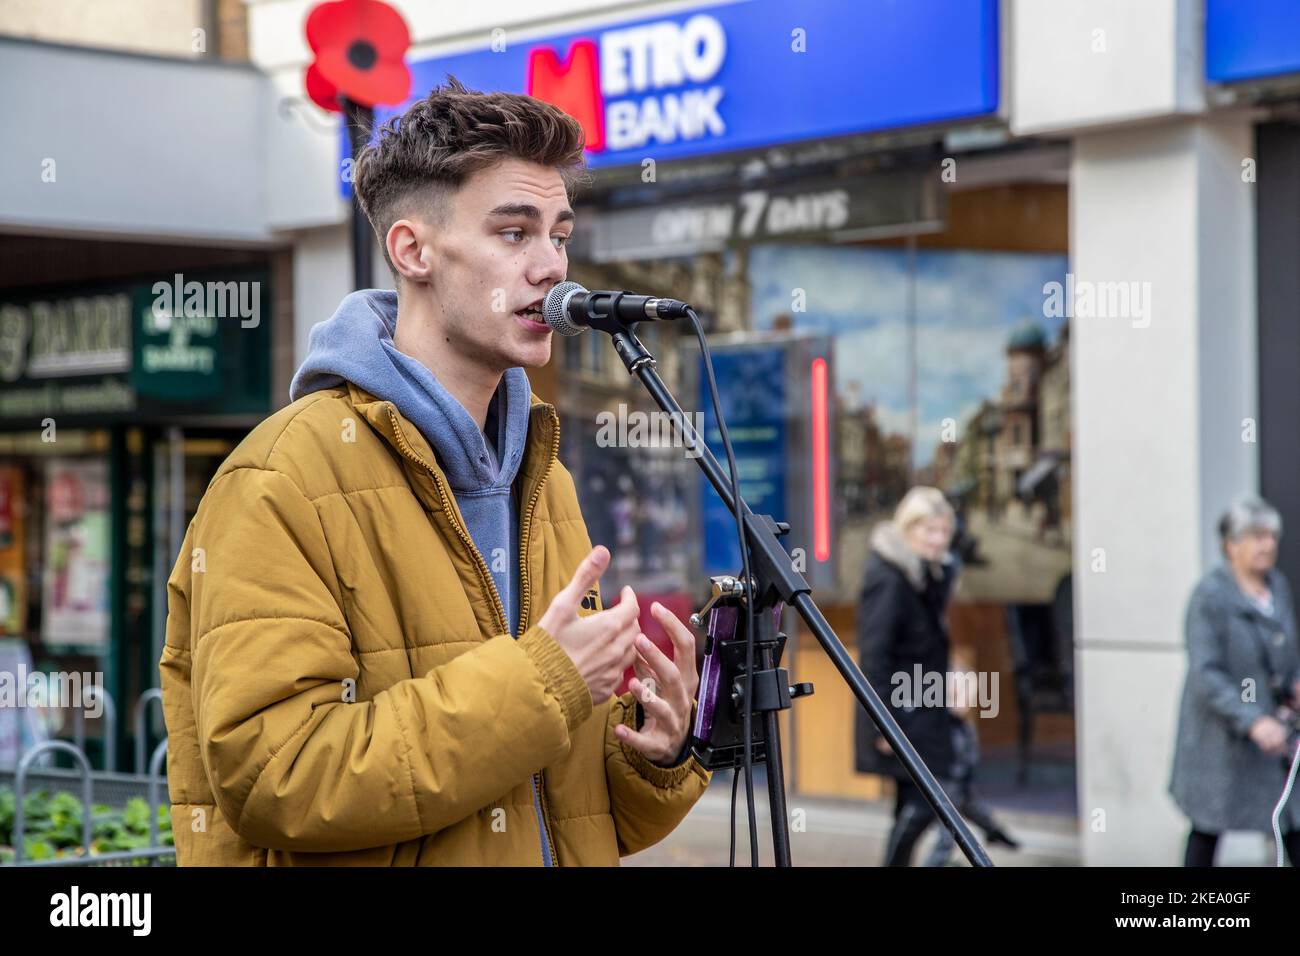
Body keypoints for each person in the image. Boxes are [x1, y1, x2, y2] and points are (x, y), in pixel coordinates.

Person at [158, 78, 710, 866]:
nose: (552, 266)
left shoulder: (540, 475)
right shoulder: (280, 481)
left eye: (560, 233)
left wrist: (653, 753)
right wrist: (544, 684)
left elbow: (570, 813)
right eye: (514, 233)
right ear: (412, 250)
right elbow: (277, 779)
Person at [1170, 496, 1300, 866]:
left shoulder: (1276, 588)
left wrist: (1294, 685)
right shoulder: (1210, 597)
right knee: (1209, 828)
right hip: (1222, 740)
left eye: (1272, 536)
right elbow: (1205, 672)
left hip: (1276, 737)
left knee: (1291, 819)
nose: (1268, 545)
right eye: (1257, 536)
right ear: (1231, 544)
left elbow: (1286, 653)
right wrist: (1253, 720)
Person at [855, 486, 961, 866]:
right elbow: (875, 655)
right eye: (929, 530)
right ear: (908, 528)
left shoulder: (925, 572)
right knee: (927, 799)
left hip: (924, 706)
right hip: (903, 713)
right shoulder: (890, 577)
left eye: (944, 531)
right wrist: (882, 724)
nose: (938, 540)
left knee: (914, 801)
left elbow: (932, 641)